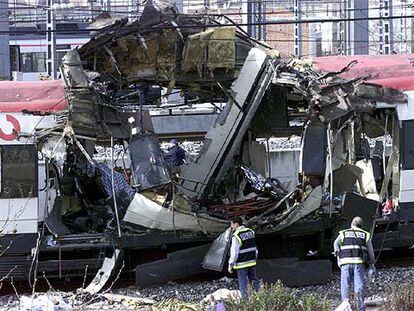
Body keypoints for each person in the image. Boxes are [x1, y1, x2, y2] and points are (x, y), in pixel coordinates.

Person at [334, 216, 375, 311]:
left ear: (352, 224)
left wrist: (337, 252)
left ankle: (345, 305)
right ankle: (360, 307)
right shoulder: (365, 235)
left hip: (345, 262)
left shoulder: (343, 233)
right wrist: (372, 263)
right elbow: (370, 251)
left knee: (345, 284)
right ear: (361, 226)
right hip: (358, 263)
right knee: (359, 285)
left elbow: (336, 243)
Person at [228, 216, 260, 299]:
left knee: (243, 283)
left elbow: (234, 253)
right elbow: (255, 249)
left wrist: (230, 265)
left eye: (232, 224)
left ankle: (245, 302)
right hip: (252, 262)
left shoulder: (236, 236)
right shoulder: (251, 232)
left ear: (236, 224)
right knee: (254, 280)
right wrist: (254, 258)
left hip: (241, 264)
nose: (231, 226)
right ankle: (260, 297)